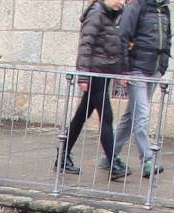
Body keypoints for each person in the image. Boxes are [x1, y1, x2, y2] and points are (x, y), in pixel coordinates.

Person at [61, 0, 130, 180]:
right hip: (95, 74)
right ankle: (113, 163)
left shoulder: (109, 16)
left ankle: (62, 157)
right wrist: (83, 76)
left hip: (103, 73)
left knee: (81, 116)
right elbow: (85, 46)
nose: (122, 3)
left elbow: (115, 48)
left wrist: (122, 72)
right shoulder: (96, 14)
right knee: (106, 116)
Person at [113, 0, 172, 177]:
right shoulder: (136, 6)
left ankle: (110, 154)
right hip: (136, 69)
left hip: (154, 70)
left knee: (131, 116)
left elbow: (168, 38)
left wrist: (163, 66)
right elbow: (122, 36)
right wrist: (123, 71)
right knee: (142, 114)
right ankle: (147, 160)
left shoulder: (164, 9)